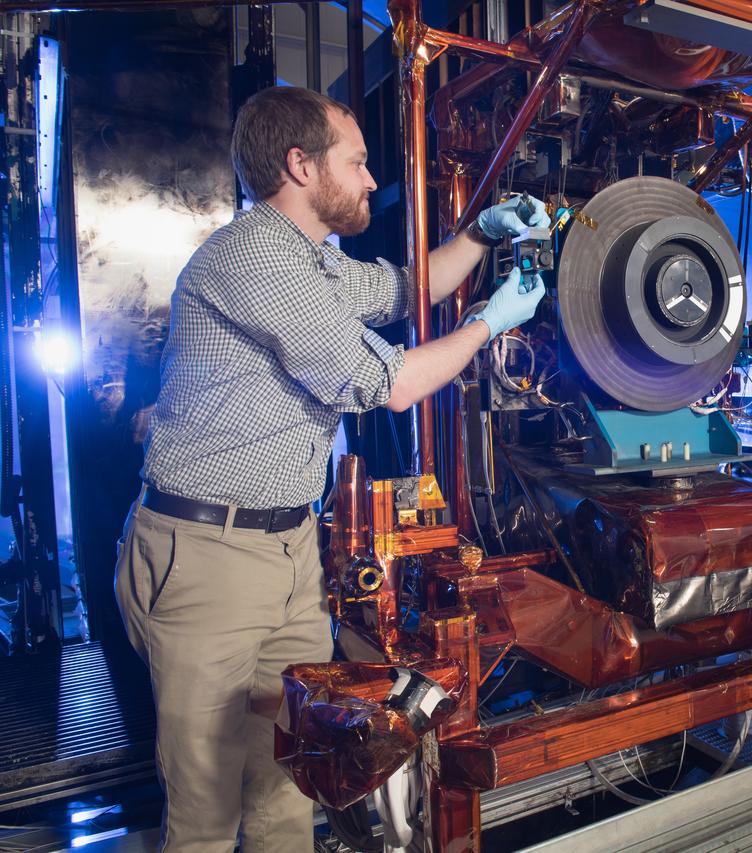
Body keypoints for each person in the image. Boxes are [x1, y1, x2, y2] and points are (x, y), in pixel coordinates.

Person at [113, 86, 550, 851]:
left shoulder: (308, 257)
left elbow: (405, 289)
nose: (372, 180)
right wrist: (489, 324)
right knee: (206, 808)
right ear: (300, 166)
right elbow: (392, 383)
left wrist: (481, 233)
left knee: (293, 778)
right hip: (207, 557)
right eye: (357, 162)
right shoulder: (254, 258)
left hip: (286, 551)